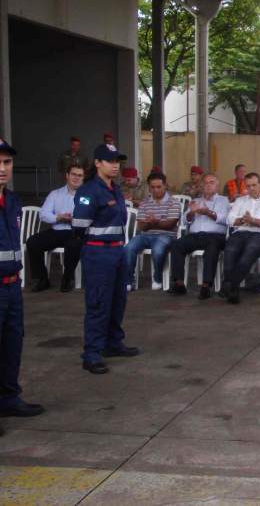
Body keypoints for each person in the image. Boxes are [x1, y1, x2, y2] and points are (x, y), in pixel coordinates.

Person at [71, 142, 138, 375]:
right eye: (110, 161)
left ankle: (113, 342)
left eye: (117, 161)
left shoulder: (115, 189)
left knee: (118, 300)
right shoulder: (89, 190)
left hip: (118, 250)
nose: (115, 165)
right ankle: (91, 353)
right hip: (98, 253)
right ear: (98, 163)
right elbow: (79, 226)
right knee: (98, 303)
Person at [0, 137, 45, 421]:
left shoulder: (13, 201)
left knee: (12, 344)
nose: (2, 168)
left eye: (6, 162)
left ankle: (8, 399)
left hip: (12, 286)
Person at [167, 173, 229, 299]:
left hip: (215, 236)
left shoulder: (223, 200)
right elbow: (185, 220)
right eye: (205, 183)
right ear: (201, 186)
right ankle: (179, 284)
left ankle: (206, 285)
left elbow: (225, 219)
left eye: (211, 182)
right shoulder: (196, 201)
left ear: (217, 186)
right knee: (176, 244)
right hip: (195, 235)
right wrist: (192, 213)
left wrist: (208, 212)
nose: (208, 185)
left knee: (212, 247)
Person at [27, 164, 85, 293]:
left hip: (75, 232)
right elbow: (43, 214)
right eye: (74, 174)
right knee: (32, 242)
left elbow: (90, 216)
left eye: (80, 175)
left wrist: (74, 220)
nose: (76, 178)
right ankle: (42, 279)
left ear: (83, 178)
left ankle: (67, 279)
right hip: (56, 230)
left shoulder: (86, 196)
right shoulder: (55, 194)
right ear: (67, 176)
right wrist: (58, 217)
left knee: (74, 244)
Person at [221, 173, 260, 304]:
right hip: (241, 231)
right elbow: (229, 219)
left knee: (249, 250)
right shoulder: (241, 201)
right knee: (230, 249)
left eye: (254, 185)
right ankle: (233, 289)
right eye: (248, 186)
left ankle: (229, 284)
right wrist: (241, 220)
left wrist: (253, 220)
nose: (251, 188)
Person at [125, 172, 181, 291]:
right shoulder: (145, 203)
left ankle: (157, 278)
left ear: (165, 186)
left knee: (158, 249)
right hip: (146, 235)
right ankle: (129, 280)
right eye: (152, 187)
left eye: (159, 187)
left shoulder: (173, 202)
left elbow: (170, 225)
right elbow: (141, 227)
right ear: (149, 187)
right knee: (128, 248)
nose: (155, 190)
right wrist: (152, 223)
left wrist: (154, 222)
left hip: (167, 236)